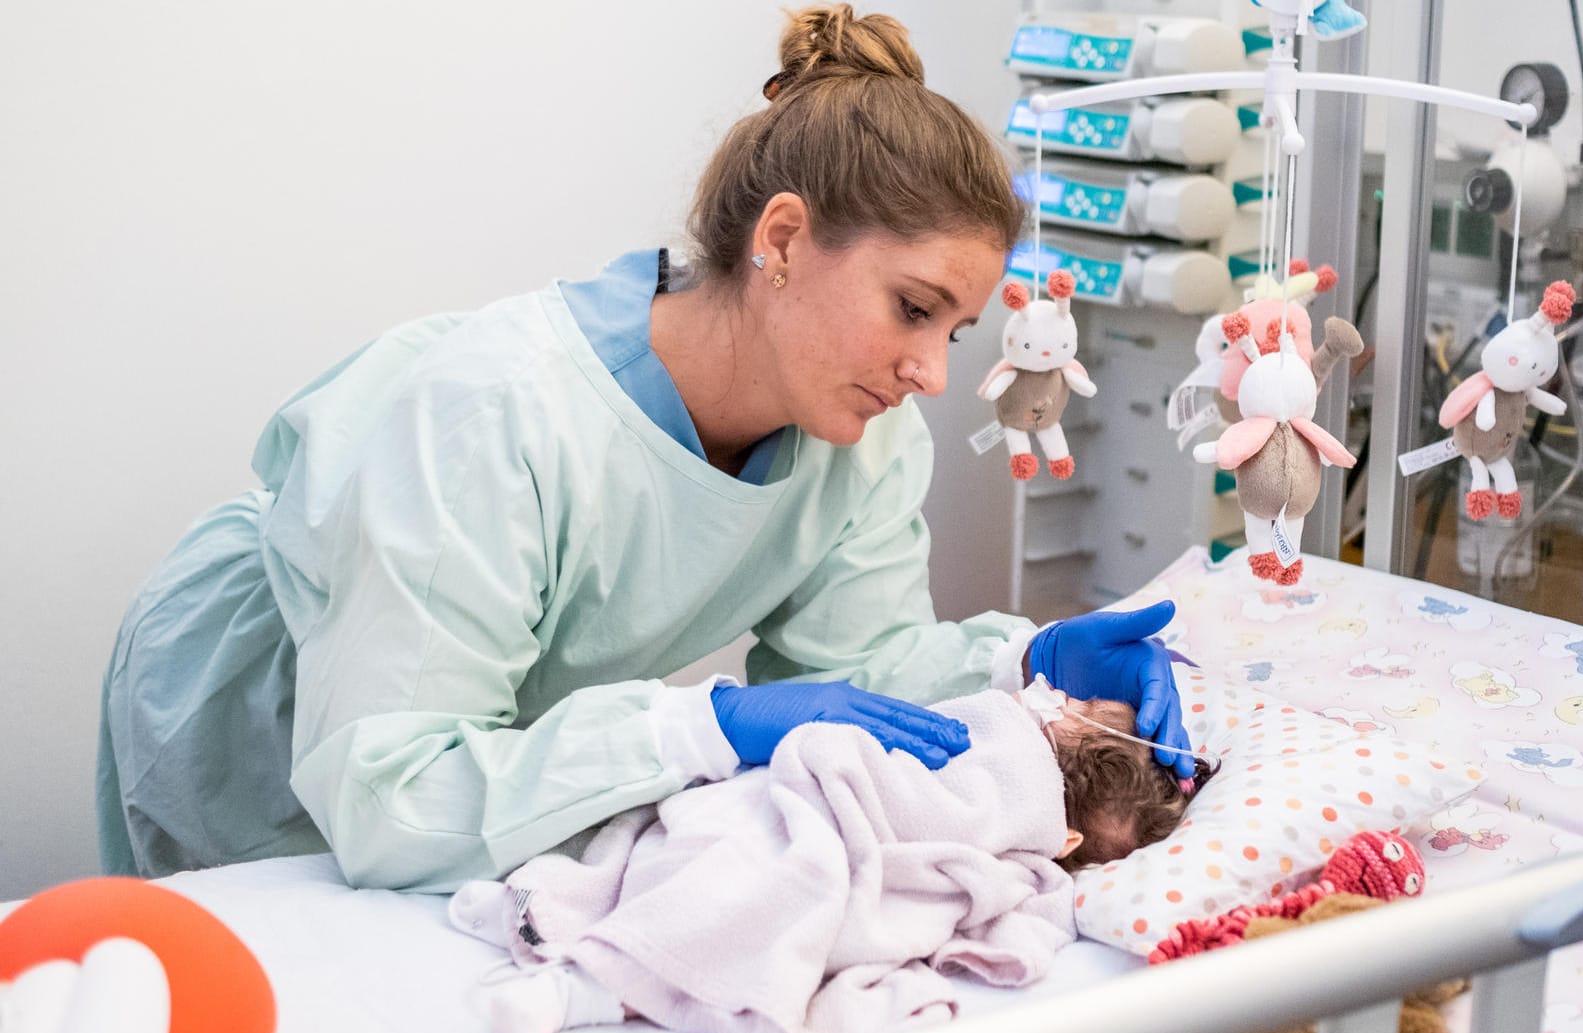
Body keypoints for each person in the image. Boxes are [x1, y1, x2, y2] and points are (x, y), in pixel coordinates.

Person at [96, 4, 1190, 893]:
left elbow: (855, 671)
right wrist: (699, 727)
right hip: (265, 701)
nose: (931, 375)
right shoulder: (497, 416)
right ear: (783, 240)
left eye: (954, 332)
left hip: (465, 715)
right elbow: (393, 796)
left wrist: (1026, 663)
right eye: (913, 308)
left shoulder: (856, 435)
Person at [450, 681, 1214, 1033]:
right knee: (721, 831)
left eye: (1080, 706)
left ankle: (580, 981)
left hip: (838, 816)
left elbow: (985, 851)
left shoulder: (1028, 809)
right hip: (819, 782)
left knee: (763, 883)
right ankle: (559, 908)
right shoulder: (1002, 727)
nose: (1065, 700)